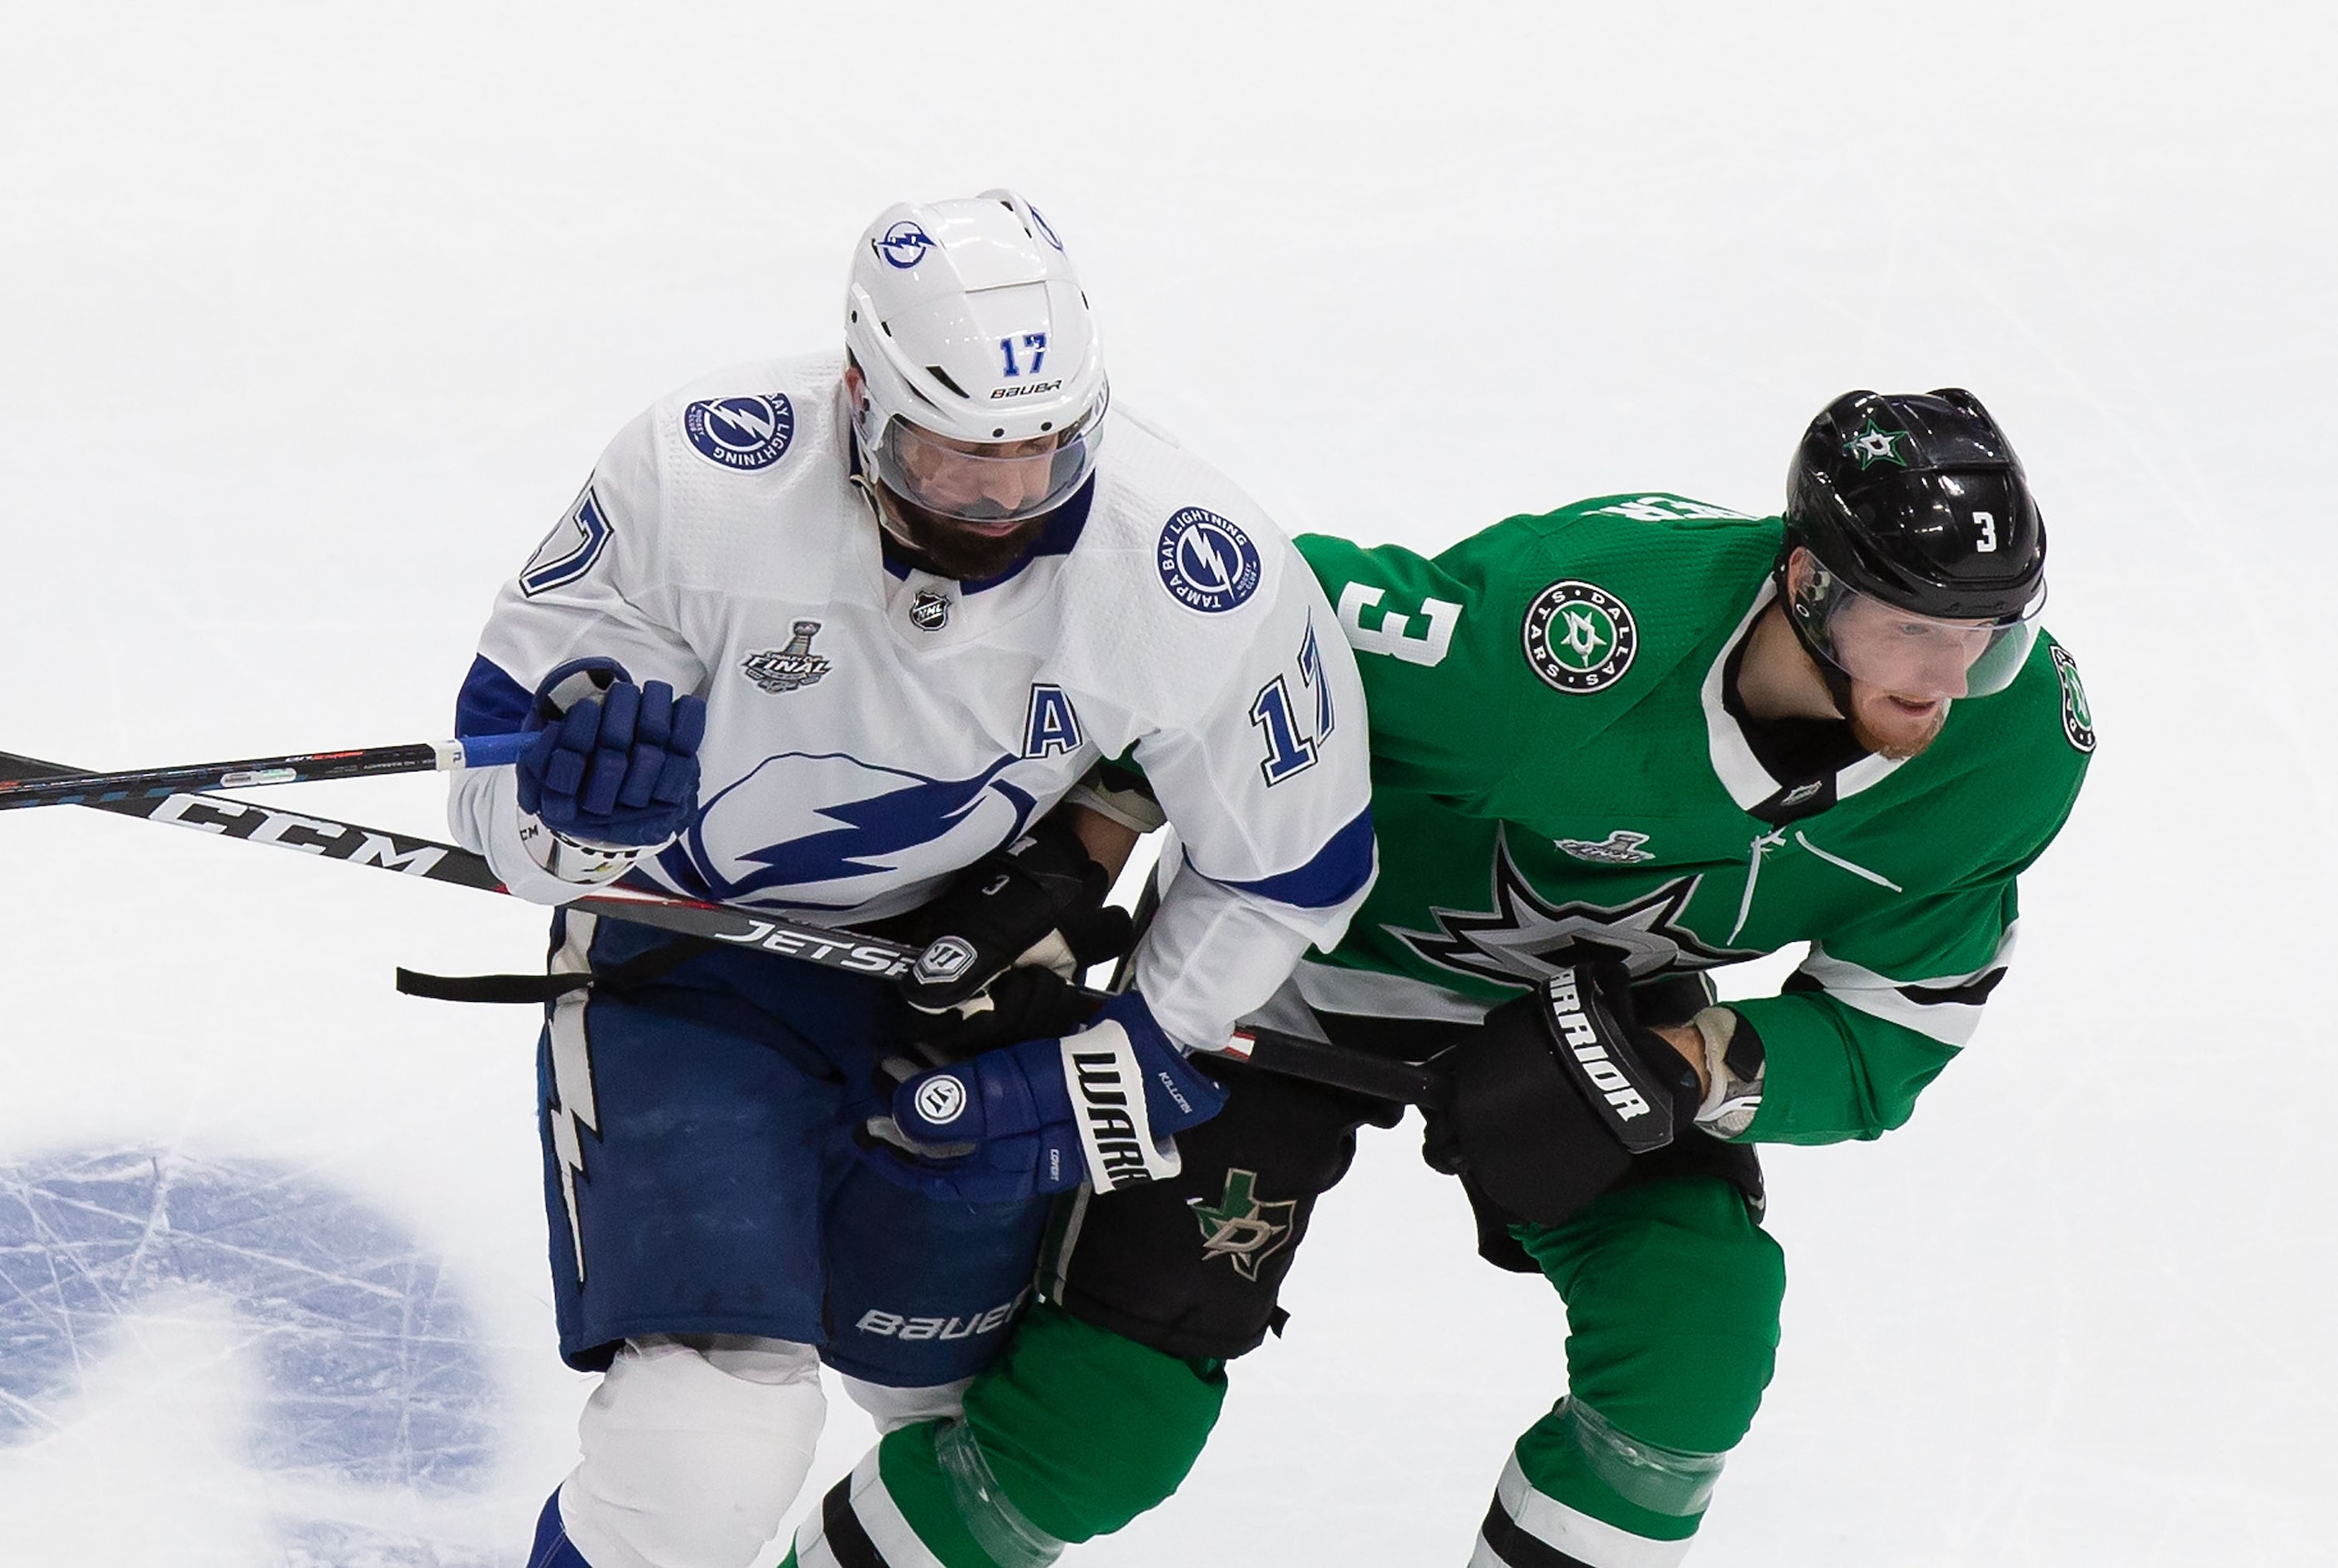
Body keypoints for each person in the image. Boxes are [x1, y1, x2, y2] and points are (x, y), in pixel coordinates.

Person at [789, 389, 2093, 1568]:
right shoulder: (1572, 635)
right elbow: (1234, 631)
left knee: (1696, 1335)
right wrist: (1084, 844)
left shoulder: (2011, 744)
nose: (1948, 678)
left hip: (1596, 1037)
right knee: (1096, 1431)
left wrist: (1694, 1063)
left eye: (1986, 633)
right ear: (1805, 581)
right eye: (1909, 627)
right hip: (1290, 988)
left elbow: (1886, 1031)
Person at [443, 190, 1376, 1568]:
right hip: (692, 971)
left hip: (974, 992)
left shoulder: (1193, 574)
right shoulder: (697, 478)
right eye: (949, 458)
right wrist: (573, 816)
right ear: (858, 397)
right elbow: (484, 803)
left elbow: (1293, 866)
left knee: (951, 1412)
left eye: (1042, 455)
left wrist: (1132, 1044)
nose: (1000, 498)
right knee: (709, 1438)